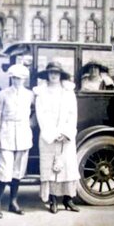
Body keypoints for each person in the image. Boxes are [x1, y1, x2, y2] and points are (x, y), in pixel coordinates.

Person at [34, 62, 81, 213]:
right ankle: (53, 199)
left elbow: (72, 114)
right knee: (50, 168)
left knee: (67, 167)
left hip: (65, 137)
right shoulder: (41, 93)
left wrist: (65, 133)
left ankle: (68, 199)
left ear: (61, 75)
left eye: (56, 73)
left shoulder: (68, 92)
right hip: (49, 136)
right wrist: (53, 134)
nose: (53, 75)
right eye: (51, 72)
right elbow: (41, 115)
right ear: (47, 74)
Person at [0, 64, 33, 218]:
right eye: (15, 78)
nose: (17, 81)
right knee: (4, 171)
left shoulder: (30, 95)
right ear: (11, 78)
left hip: (23, 134)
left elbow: (38, 111)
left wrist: (31, 122)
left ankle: (13, 202)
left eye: (20, 78)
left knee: (18, 171)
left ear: (24, 79)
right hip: (6, 134)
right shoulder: (3, 94)